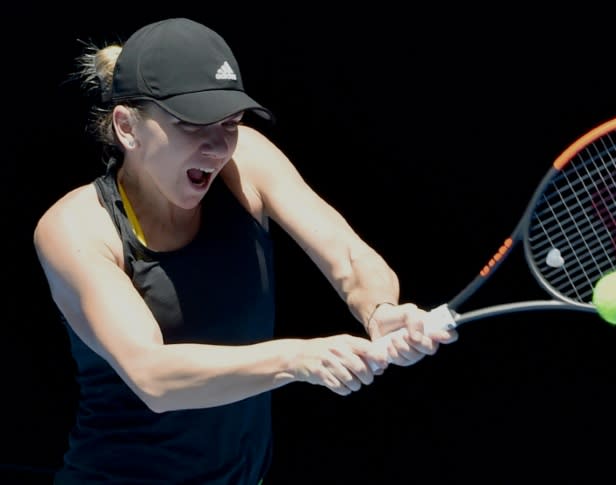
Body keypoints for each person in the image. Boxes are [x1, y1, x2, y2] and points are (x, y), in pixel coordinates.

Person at [33, 17, 458, 484]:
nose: (217, 147)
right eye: (192, 124)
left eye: (230, 123)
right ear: (127, 127)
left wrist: (379, 310)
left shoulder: (246, 161)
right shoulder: (76, 227)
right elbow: (153, 376)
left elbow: (350, 258)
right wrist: (297, 359)